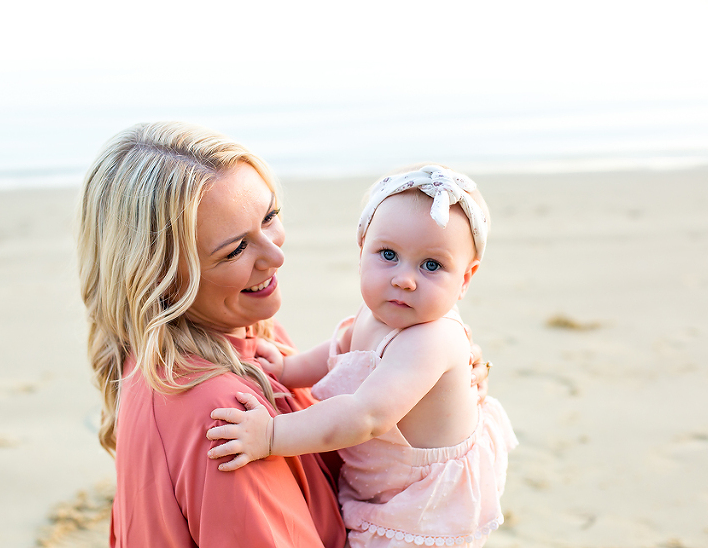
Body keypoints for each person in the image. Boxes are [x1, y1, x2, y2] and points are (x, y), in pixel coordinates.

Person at [77, 121, 495, 547]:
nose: (277, 256)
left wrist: (433, 396)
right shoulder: (224, 420)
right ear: (159, 278)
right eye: (236, 249)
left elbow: (345, 430)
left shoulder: (250, 331)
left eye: (270, 217)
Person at [207, 165, 517, 547]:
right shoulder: (379, 310)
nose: (404, 279)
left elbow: (366, 416)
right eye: (388, 254)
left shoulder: (431, 339)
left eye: (431, 265)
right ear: (361, 252)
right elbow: (341, 350)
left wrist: (271, 435)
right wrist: (288, 369)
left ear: (465, 278)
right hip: (380, 478)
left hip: (419, 505)